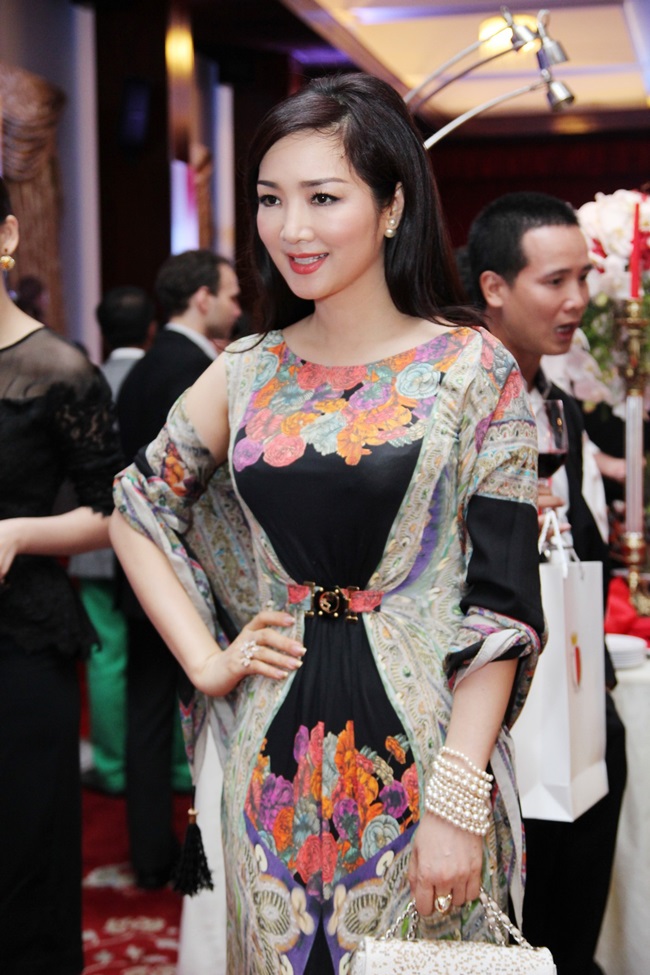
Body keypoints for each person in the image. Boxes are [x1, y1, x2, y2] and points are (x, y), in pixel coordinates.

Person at [110, 74, 545, 973]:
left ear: (392, 207)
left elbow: (501, 605)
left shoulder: (475, 368)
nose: (291, 228)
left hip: (427, 755)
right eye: (270, 199)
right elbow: (137, 506)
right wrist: (206, 660)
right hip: (271, 759)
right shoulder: (246, 369)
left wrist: (458, 800)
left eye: (322, 197)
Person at [466, 190, 627, 975]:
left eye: (584, 279)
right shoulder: (455, 397)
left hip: (576, 694)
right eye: (555, 281)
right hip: (495, 708)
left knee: (571, 924)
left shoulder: (560, 406)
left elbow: (589, 547)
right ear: (494, 287)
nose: (577, 301)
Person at [0, 178, 123, 974]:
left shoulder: (59, 369)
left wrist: (16, 533)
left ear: (7, 236)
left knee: (23, 851)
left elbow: (112, 512)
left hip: (21, 636)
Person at [116, 249, 241, 889]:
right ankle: (200, 853)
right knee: (203, 717)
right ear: (202, 298)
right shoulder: (198, 372)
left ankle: (152, 852)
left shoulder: (144, 365)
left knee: (146, 718)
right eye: (232, 296)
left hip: (141, 577)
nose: (238, 309)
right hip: (183, 577)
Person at [69, 286, 156, 795]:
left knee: (105, 657)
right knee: (161, 657)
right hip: (151, 541)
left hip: (94, 540)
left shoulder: (85, 380)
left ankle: (111, 766)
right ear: (151, 327)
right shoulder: (166, 377)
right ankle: (174, 765)